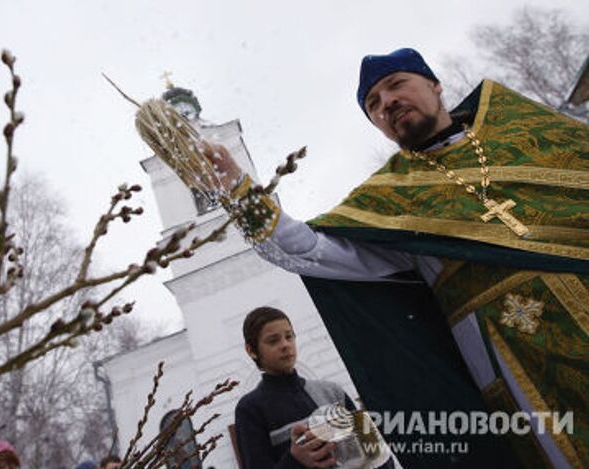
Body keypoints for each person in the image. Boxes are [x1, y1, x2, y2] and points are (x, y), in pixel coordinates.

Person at [203, 48, 588, 467]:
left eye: (395, 84)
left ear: (434, 84)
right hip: (513, 368)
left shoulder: (530, 136)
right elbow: (308, 252)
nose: (386, 102)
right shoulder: (391, 203)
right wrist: (241, 196)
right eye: (372, 103)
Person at [234, 306, 391, 469]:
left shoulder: (333, 392)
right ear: (251, 350)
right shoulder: (250, 410)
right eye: (273, 340)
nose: (285, 345)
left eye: (289, 336)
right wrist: (294, 461)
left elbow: (376, 454)